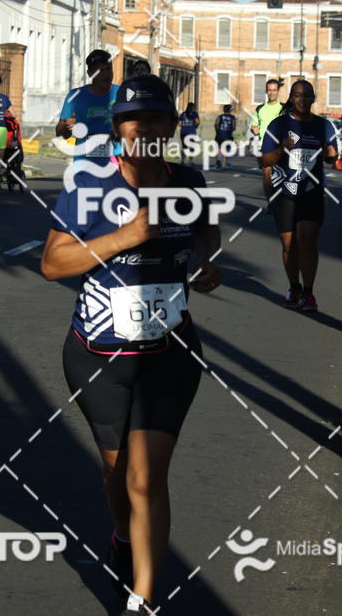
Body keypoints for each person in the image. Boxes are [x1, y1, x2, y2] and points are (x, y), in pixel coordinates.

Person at [41, 74, 221, 615]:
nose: (143, 129)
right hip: (98, 356)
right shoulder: (90, 184)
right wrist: (125, 236)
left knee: (147, 477)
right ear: (119, 129)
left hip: (170, 354)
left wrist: (208, 261)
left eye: (155, 120)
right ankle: (122, 534)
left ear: (170, 127)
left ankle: (143, 597)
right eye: (131, 120)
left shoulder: (189, 183)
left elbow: (206, 230)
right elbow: (52, 264)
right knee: (118, 475)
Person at [261, 80, 337, 313]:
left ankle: (308, 292)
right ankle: (294, 287)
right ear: (290, 98)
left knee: (308, 239)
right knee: (289, 245)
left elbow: (332, 158)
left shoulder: (324, 126)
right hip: (284, 191)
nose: (301, 100)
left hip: (311, 191)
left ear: (313, 98)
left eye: (306, 96)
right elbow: (265, 161)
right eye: (296, 96)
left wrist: (330, 153)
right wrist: (282, 148)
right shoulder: (278, 125)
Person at [56, 49, 119, 160]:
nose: (105, 75)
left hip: (117, 161)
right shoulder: (75, 96)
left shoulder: (122, 94)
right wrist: (66, 126)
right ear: (90, 73)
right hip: (85, 164)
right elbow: (61, 135)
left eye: (108, 69)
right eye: (99, 71)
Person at [250, 78, 283, 165]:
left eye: (274, 90)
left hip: (279, 147)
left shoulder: (284, 109)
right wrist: (254, 129)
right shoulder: (260, 109)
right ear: (266, 91)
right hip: (262, 146)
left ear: (278, 91)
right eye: (269, 90)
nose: (271, 93)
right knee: (266, 175)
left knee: (278, 176)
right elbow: (253, 125)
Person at [214, 103, 237, 170]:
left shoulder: (220, 116)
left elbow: (216, 124)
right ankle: (223, 165)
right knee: (225, 150)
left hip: (219, 134)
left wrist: (217, 131)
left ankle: (218, 159)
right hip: (228, 135)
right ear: (230, 110)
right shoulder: (232, 117)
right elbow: (234, 127)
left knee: (219, 148)